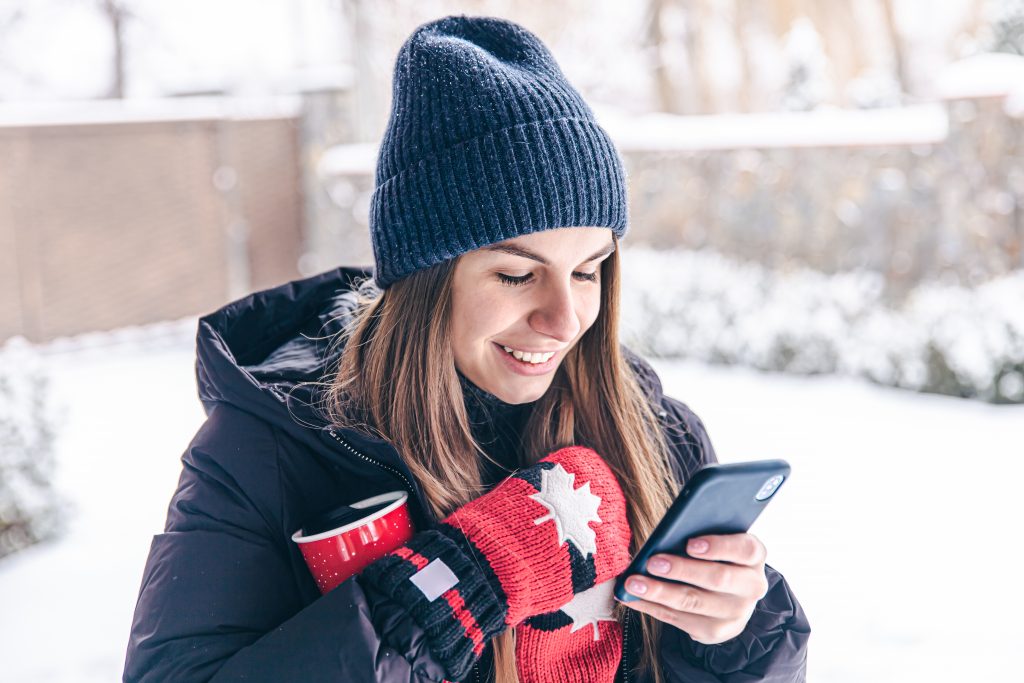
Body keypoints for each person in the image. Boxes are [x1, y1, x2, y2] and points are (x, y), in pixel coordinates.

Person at [123, 14, 810, 683]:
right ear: (423, 280)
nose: (564, 319)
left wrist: (739, 633)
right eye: (517, 274)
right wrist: (459, 583)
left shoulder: (650, 429)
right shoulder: (263, 452)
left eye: (588, 269)